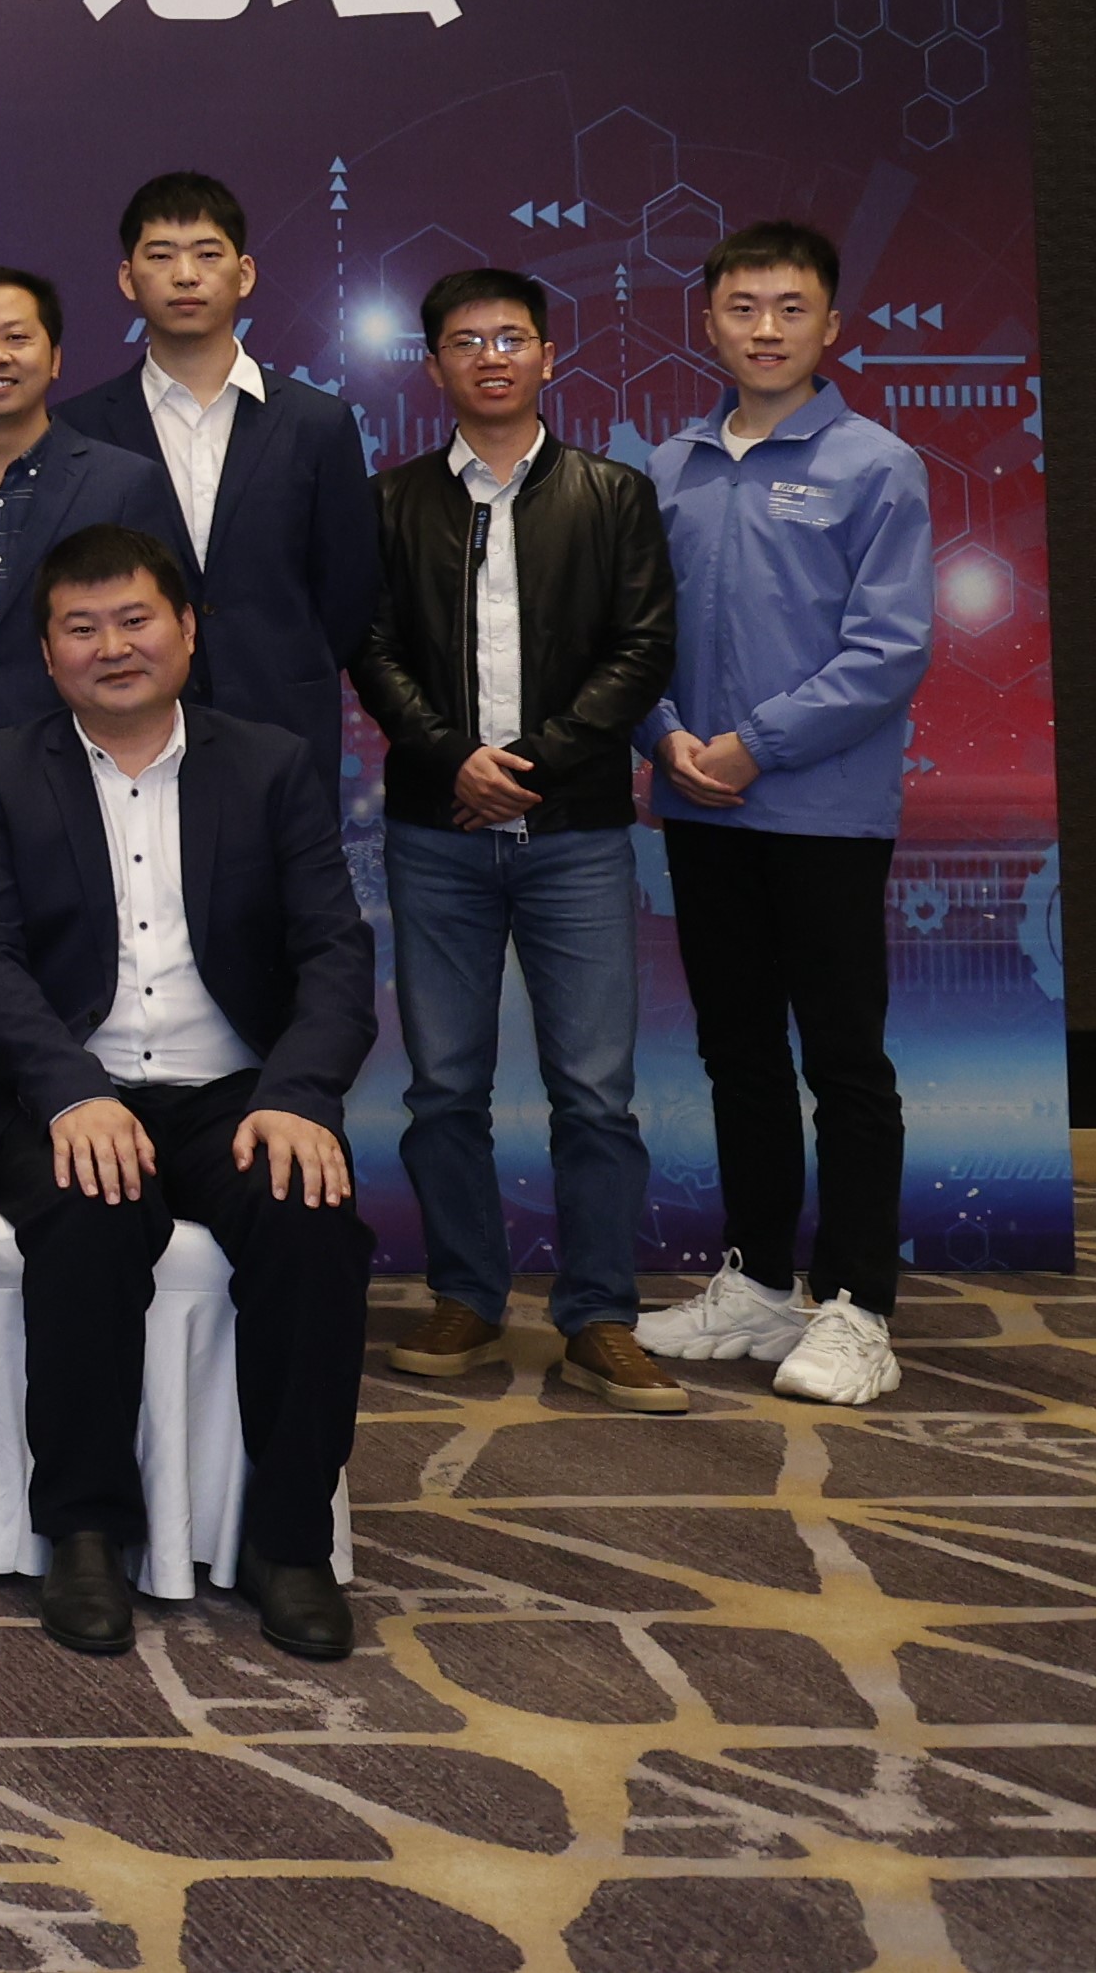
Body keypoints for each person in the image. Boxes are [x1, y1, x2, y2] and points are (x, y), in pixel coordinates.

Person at [0, 524, 377, 1664]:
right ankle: (85, 1531)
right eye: (81, 628)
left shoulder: (270, 766)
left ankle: (288, 1542)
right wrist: (69, 1092)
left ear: (186, 629)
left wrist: (299, 1094)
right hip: (65, 1088)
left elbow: (334, 952)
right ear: (48, 653)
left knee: (311, 1218)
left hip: (235, 1091)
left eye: (135, 619)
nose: (113, 646)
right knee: (88, 1210)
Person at [356, 266, 684, 1412]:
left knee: (594, 1092)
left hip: (577, 832)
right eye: (465, 340)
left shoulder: (613, 494)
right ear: (433, 364)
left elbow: (643, 648)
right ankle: (466, 1295)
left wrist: (530, 767)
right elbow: (371, 647)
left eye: (510, 338)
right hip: (436, 831)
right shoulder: (392, 501)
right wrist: (453, 758)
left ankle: (600, 1315)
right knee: (444, 1086)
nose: (490, 357)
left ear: (549, 354)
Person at [630, 222, 933, 1408]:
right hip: (702, 810)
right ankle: (757, 1281)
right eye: (744, 308)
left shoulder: (877, 466)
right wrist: (664, 736)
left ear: (831, 326)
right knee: (738, 1052)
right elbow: (633, 634)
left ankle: (858, 1305)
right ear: (709, 322)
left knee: (844, 1060)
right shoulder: (670, 467)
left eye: (791, 308)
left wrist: (756, 744)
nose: (766, 329)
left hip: (822, 814)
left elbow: (888, 651)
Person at [54, 172, 380, 788]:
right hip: (124, 734)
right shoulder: (79, 426)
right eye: (161, 256)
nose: (185, 275)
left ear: (245, 273)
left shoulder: (317, 423)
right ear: (127, 278)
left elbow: (348, 592)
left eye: (207, 254)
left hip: (283, 726)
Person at [0, 267, 191, 789]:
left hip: (90, 777)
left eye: (16, 338)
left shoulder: (126, 483)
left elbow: (165, 640)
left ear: (56, 358)